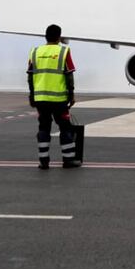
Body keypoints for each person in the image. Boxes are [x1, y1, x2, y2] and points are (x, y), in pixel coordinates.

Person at [28, 24, 80, 169]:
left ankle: (43, 161)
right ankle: (68, 160)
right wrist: (72, 94)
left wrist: (32, 95)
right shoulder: (64, 51)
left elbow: (30, 76)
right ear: (59, 37)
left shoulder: (35, 52)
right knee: (65, 128)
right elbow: (69, 75)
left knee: (43, 128)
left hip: (41, 100)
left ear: (45, 36)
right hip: (59, 100)